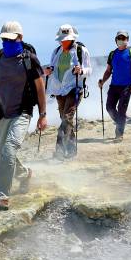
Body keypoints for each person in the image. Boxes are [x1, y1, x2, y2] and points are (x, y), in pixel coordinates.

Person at [0, 20, 48, 211]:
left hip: (23, 112)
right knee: (2, 153)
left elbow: (40, 87)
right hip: (2, 112)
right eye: (4, 39)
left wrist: (42, 115)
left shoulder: (29, 59)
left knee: (8, 150)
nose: (7, 43)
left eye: (11, 39)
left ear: (20, 38)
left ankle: (1, 197)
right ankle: (25, 174)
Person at [43, 24, 92, 159]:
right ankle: (71, 150)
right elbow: (53, 67)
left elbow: (89, 70)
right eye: (62, 39)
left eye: (66, 39)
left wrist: (81, 71)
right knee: (65, 120)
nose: (63, 42)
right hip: (60, 91)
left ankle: (59, 151)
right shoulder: (56, 51)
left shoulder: (81, 50)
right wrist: (49, 71)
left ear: (72, 39)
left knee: (66, 118)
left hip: (74, 89)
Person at [98, 30, 131, 141]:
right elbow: (108, 71)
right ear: (116, 40)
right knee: (109, 107)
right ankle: (121, 122)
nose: (121, 40)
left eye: (124, 38)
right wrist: (103, 81)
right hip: (114, 86)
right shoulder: (112, 54)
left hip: (127, 86)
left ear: (127, 39)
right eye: (119, 38)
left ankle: (119, 134)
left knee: (121, 109)